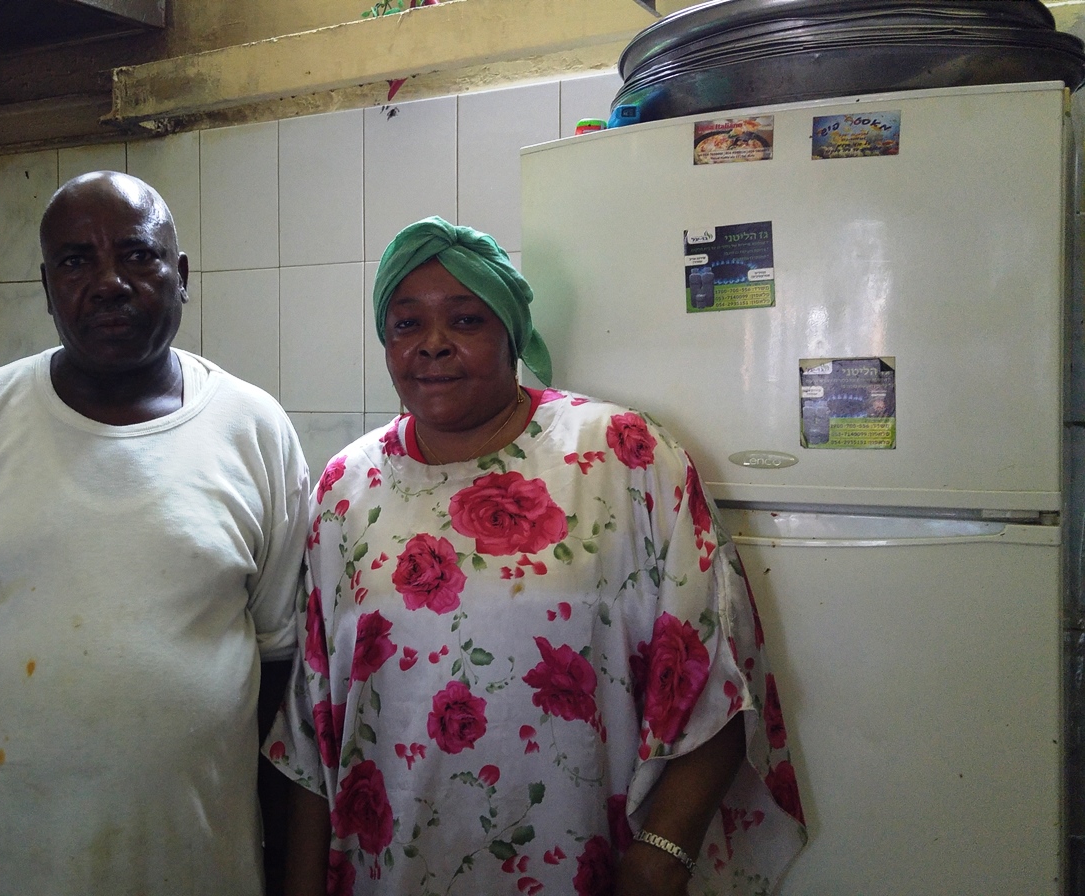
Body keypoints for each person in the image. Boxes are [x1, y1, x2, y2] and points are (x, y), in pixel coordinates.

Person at [265, 217, 806, 896]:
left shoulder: (623, 454)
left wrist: (662, 853)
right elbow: (313, 728)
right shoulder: (346, 488)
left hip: (590, 867)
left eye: (464, 319)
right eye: (406, 325)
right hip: (391, 869)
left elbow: (719, 675)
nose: (433, 345)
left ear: (511, 335)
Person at [0, 171, 311, 896]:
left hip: (197, 868)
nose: (108, 281)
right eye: (77, 260)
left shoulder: (255, 430)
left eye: (137, 254)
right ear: (48, 283)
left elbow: (279, 670)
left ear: (181, 277)